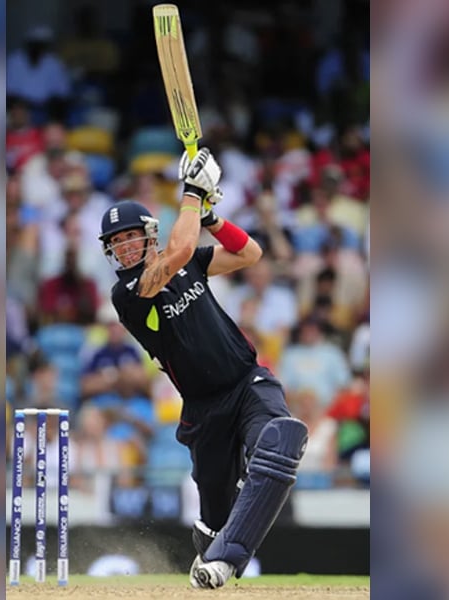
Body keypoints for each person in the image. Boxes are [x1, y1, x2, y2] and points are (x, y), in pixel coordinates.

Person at [97, 148, 308, 589]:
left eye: (131, 237)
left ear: (149, 235)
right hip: (204, 410)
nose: (124, 247)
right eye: (116, 243)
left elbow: (249, 253)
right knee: (214, 521)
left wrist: (209, 213)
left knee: (280, 441)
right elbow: (180, 248)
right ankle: (214, 545)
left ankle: (227, 561)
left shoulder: (187, 262)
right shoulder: (129, 295)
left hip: (248, 383)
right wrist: (192, 193)